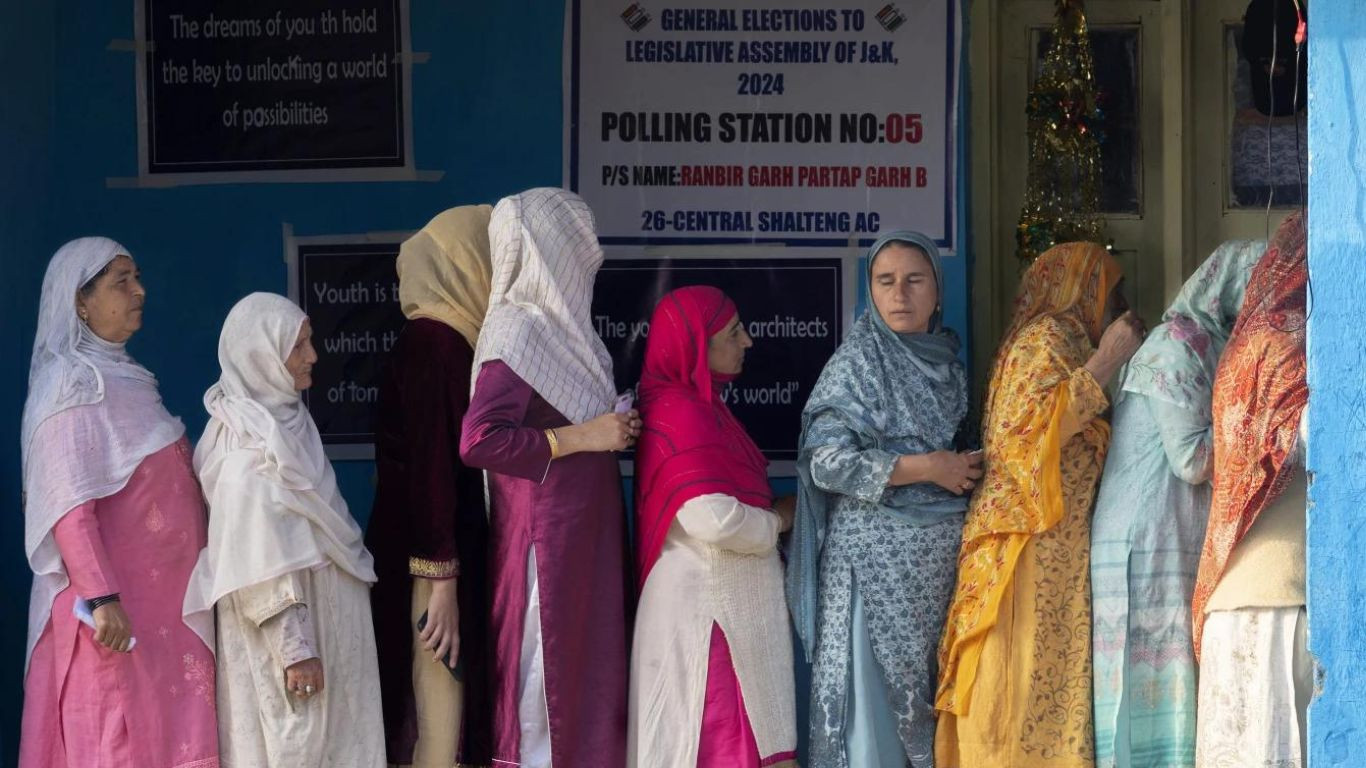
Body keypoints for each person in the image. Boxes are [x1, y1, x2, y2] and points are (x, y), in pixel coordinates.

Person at [935, 242, 1144, 768]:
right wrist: (1108, 359)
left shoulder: (1062, 340)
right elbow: (1028, 437)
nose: (1119, 303)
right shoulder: (1044, 339)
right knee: (1020, 678)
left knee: (1049, 681)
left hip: (1056, 546)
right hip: (1028, 545)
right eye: (1109, 290)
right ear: (1077, 291)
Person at [19, 237, 219, 767]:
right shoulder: (71, 383)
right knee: (117, 742)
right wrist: (101, 597)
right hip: (113, 618)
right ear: (79, 301)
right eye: (121, 281)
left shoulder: (128, 380)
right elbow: (67, 501)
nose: (140, 291)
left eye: (137, 277)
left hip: (168, 614)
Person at [787, 231, 981, 768]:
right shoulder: (858, 364)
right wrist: (929, 467)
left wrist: (966, 466)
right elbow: (825, 463)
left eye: (914, 281)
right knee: (869, 722)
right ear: (869, 291)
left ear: (936, 292)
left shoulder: (948, 364)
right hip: (871, 576)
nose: (900, 294)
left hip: (933, 582)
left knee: (927, 715)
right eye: (886, 281)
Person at [459, 187, 637, 768]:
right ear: (550, 246)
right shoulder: (519, 329)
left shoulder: (567, 333)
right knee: (548, 686)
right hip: (548, 543)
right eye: (577, 241)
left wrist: (615, 423)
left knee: (591, 681)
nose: (591, 256)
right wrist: (587, 436)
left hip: (584, 535)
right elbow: (480, 440)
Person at [184, 292, 384, 767]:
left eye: (309, 341)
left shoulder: (288, 426)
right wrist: (295, 651)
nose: (313, 356)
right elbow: (258, 561)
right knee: (295, 748)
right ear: (261, 357)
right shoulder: (245, 451)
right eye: (298, 346)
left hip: (327, 634)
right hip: (291, 652)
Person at [1089, 240, 1263, 768]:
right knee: (1143, 696)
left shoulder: (1214, 347)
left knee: (1170, 691)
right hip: (1142, 543)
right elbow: (1190, 458)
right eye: (1259, 294)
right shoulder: (1177, 343)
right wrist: (1262, 424)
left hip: (1165, 534)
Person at [630, 286, 798, 768]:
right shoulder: (679, 412)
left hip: (723, 616)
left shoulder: (703, 407)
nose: (747, 341)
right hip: (710, 626)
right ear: (695, 346)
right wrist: (779, 520)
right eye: (733, 332)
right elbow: (711, 518)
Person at [366, 205, 495, 767]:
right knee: (437, 715)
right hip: (429, 564)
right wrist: (440, 581)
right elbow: (431, 466)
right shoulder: (433, 342)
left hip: (443, 555)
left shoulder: (459, 339)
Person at [1191, 212, 1309, 768]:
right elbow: (1311, 440)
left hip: (1234, 593)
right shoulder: (1286, 345)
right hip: (1281, 601)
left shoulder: (1243, 347)